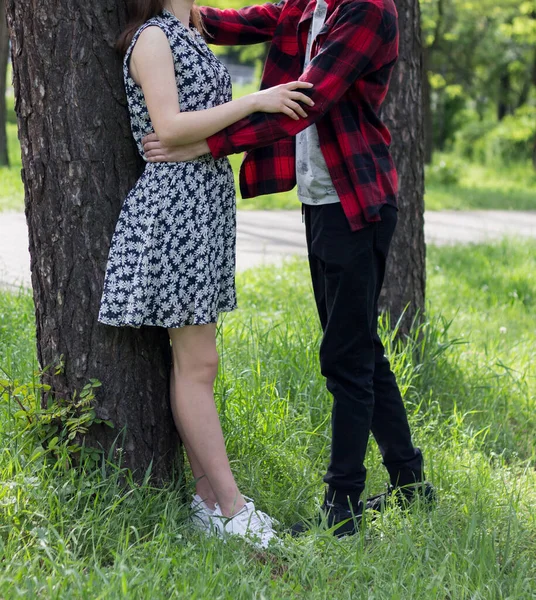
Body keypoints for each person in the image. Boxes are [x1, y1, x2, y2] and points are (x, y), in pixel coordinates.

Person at [142, 0, 435, 537]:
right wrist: (180, 13)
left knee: (344, 358)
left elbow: (306, 101)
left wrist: (204, 143)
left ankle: (341, 509)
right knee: (360, 346)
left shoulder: (367, 10)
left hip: (356, 202)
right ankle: (411, 483)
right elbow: (246, 21)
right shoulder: (310, 5)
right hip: (322, 201)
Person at [98, 0, 315, 548]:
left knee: (194, 363)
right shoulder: (151, 37)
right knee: (199, 363)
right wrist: (256, 102)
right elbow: (167, 126)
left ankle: (207, 505)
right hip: (175, 211)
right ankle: (234, 510)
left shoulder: (188, 29)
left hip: (201, 206)